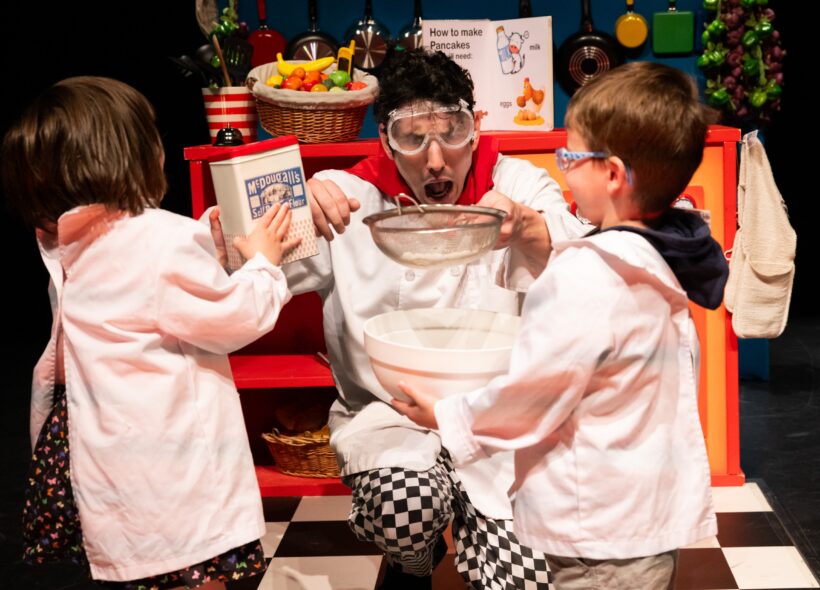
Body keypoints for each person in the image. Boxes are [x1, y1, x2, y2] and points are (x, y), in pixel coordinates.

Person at [211, 49, 585, 589]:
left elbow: (582, 259)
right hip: (389, 415)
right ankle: (415, 557)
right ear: (386, 139)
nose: (435, 160)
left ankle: (482, 538)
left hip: (500, 421)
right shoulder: (349, 197)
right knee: (405, 515)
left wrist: (526, 226)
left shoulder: (518, 185)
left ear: (475, 130)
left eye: (451, 132)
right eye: (413, 137)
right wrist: (292, 205)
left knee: (521, 581)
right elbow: (236, 263)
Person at [393, 61, 727, 590]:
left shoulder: (585, 275)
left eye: (570, 157)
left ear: (613, 175)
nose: (561, 167)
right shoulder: (664, 256)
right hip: (646, 518)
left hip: (596, 531)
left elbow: (533, 396)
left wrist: (448, 416)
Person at [1, 76, 300, 589]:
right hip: (171, 476)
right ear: (131, 155)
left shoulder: (69, 244)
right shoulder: (158, 242)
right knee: (196, 574)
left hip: (113, 470)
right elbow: (235, 318)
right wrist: (265, 266)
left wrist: (205, 238)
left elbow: (147, 293)